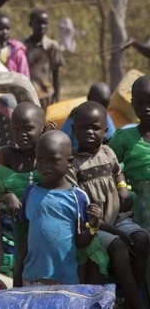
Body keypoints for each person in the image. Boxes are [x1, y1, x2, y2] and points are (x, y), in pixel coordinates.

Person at [70, 101, 148, 308]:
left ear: (105, 131)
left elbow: (117, 171)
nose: (89, 132)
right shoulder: (71, 163)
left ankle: (133, 294)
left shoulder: (108, 152)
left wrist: (122, 186)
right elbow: (83, 212)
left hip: (117, 218)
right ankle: (137, 302)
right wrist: (118, 232)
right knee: (120, 247)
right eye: (83, 127)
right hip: (94, 226)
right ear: (72, 129)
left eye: (95, 128)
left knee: (142, 239)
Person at [19, 130, 101, 285]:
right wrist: (19, 269)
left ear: (69, 162)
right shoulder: (30, 193)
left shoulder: (78, 197)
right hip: (32, 277)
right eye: (41, 160)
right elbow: (28, 235)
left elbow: (80, 242)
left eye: (53, 160)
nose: (45, 166)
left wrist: (94, 227)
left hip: (64, 280)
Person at [0, 101, 45, 286]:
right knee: (22, 260)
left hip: (46, 217)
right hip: (19, 219)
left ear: (42, 128)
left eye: (28, 128)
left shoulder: (48, 152)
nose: (21, 135)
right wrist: (9, 196)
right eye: (16, 130)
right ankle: (18, 293)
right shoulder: (8, 154)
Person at [109, 75, 150, 229]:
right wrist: (121, 185)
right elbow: (109, 164)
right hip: (139, 205)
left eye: (149, 102)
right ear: (132, 104)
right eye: (140, 103)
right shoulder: (124, 137)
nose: (146, 108)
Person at [23, 8, 65, 110]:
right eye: (38, 23)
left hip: (46, 94)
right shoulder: (23, 45)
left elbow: (56, 73)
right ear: (31, 24)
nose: (42, 26)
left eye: (45, 23)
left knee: (47, 124)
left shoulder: (52, 46)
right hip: (28, 95)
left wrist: (57, 94)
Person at [60, 82, 117, 150]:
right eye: (83, 127)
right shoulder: (77, 114)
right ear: (89, 98)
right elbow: (62, 139)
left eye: (105, 104)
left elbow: (111, 138)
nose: (101, 107)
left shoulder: (104, 115)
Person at [0, 13, 30, 78]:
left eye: (7, 29)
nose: (5, 32)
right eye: (1, 29)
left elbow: (24, 75)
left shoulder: (17, 51)